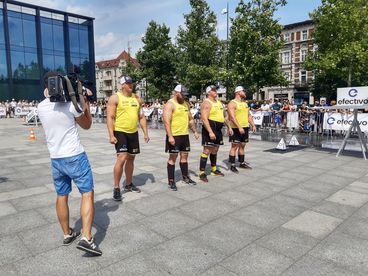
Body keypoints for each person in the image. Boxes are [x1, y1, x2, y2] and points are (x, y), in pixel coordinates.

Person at [37, 72, 102, 256]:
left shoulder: (41, 107)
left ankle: (67, 233)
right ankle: (87, 237)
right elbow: (87, 124)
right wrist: (84, 100)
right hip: (74, 156)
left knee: (61, 195)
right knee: (87, 193)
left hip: (56, 158)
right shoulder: (70, 105)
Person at [107, 75, 149, 201]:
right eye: (128, 83)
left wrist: (145, 133)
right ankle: (116, 188)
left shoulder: (136, 98)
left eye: (132, 83)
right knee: (122, 157)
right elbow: (110, 117)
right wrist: (111, 135)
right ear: (122, 85)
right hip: (120, 131)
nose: (131, 85)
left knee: (131, 159)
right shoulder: (115, 98)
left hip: (133, 132)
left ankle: (129, 184)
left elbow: (141, 117)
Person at [163, 84, 199, 191]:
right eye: (183, 94)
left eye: (185, 95)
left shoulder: (186, 104)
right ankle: (171, 181)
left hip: (184, 135)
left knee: (185, 156)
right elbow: (166, 121)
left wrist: (195, 131)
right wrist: (170, 136)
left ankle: (185, 177)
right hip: (174, 135)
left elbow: (190, 119)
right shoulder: (170, 104)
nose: (184, 97)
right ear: (176, 92)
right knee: (173, 158)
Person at [199, 85, 232, 182]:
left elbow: (225, 117)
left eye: (216, 90)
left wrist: (229, 127)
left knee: (215, 150)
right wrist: (210, 132)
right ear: (208, 92)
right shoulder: (206, 103)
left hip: (218, 129)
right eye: (213, 90)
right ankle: (202, 172)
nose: (215, 91)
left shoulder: (219, 103)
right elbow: (204, 119)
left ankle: (214, 170)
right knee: (207, 150)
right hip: (210, 128)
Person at [227, 86, 256, 173]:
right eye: (243, 91)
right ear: (238, 92)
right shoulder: (232, 103)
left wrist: (253, 125)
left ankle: (242, 163)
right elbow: (232, 117)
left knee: (243, 145)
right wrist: (239, 127)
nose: (245, 93)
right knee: (234, 146)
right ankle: (232, 165)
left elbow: (249, 115)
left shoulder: (245, 103)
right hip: (236, 128)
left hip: (245, 127)